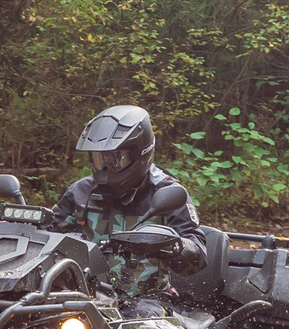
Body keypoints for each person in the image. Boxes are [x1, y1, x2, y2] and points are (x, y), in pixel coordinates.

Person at [48, 104, 205, 306]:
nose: (105, 168)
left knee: (138, 323)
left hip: (148, 300)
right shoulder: (80, 192)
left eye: (116, 159)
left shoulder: (166, 192)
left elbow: (198, 256)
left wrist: (169, 245)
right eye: (99, 159)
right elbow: (49, 233)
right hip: (84, 296)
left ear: (142, 153)